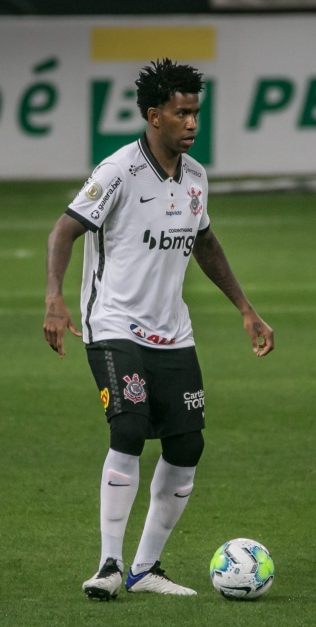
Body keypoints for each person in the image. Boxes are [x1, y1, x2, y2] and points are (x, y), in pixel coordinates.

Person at [43, 58, 274, 601]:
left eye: (196, 112)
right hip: (113, 325)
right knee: (127, 430)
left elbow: (205, 244)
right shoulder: (118, 170)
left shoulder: (195, 178)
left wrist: (246, 308)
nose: (193, 123)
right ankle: (107, 564)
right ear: (154, 116)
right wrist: (54, 299)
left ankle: (145, 570)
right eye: (182, 113)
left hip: (173, 332)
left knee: (187, 443)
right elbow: (63, 231)